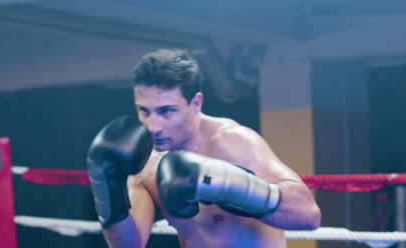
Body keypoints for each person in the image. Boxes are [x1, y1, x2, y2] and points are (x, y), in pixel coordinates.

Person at [87, 49, 321, 248]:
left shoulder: (231, 142)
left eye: (166, 111)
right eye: (144, 111)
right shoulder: (145, 163)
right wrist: (109, 190)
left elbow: (309, 215)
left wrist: (232, 185)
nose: (152, 126)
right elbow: (128, 244)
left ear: (196, 103)